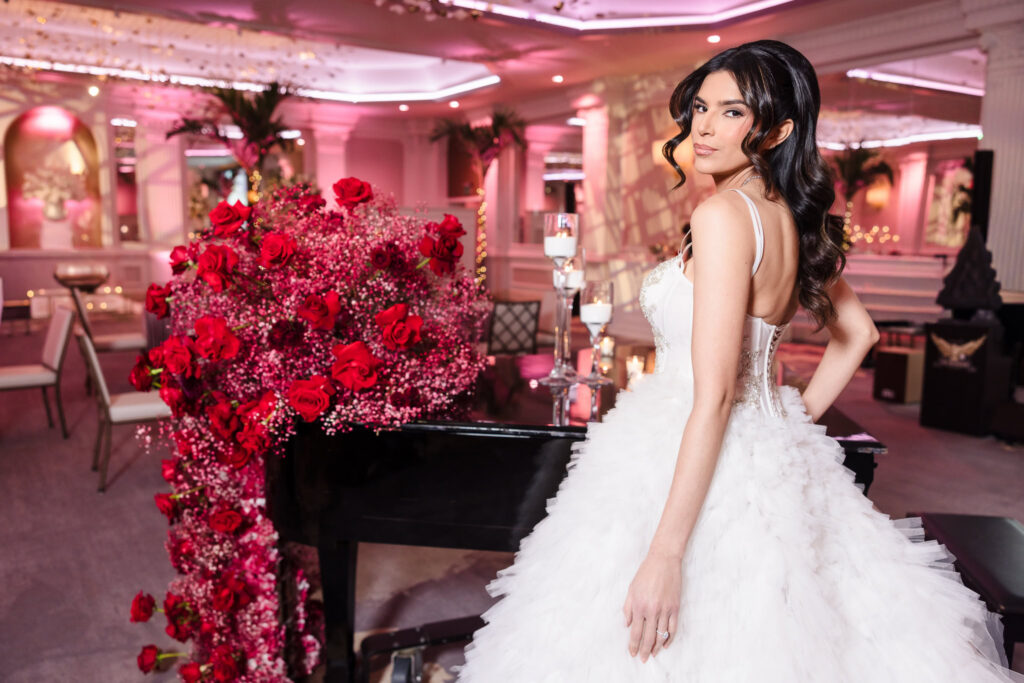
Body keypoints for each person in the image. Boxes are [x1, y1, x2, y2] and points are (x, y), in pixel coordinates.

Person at [455, 40, 1023, 681]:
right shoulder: (795, 220)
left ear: (777, 130)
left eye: (731, 112)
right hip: (755, 445)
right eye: (701, 106)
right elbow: (859, 334)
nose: (702, 126)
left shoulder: (724, 214)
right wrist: (785, 422)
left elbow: (718, 395)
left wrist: (666, 554)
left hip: (687, 438)